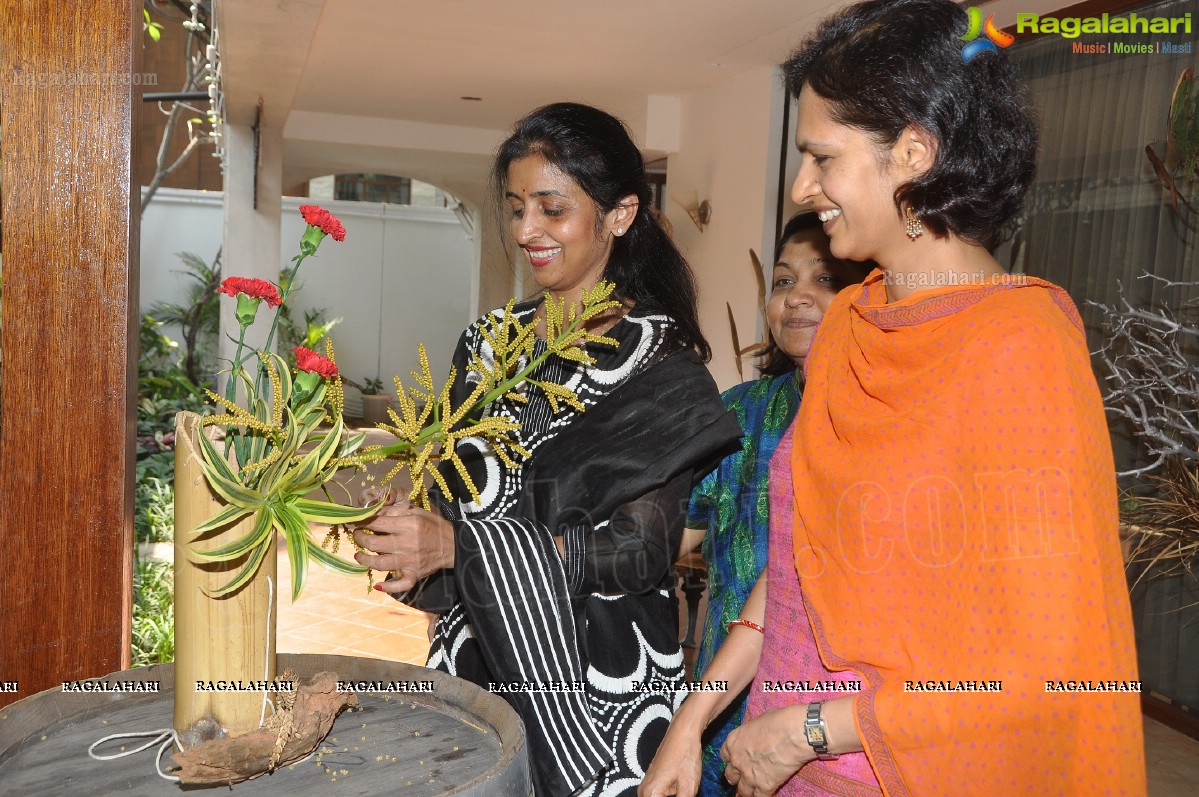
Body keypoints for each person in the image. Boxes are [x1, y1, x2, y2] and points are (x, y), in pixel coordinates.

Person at [646, 1, 1146, 795]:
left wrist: (810, 729)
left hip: (900, 769)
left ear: (913, 151)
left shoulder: (1020, 344)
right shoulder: (848, 324)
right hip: (775, 756)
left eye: (821, 156)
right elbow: (797, 566)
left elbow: (1042, 655)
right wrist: (692, 721)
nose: (802, 185)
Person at [353, 101, 741, 797]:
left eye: (551, 209)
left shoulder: (659, 364)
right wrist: (406, 531)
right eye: (514, 208)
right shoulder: (485, 344)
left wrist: (457, 546)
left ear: (619, 215)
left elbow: (637, 549)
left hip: (596, 688)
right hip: (479, 662)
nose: (527, 230)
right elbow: (460, 496)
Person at [678, 212, 869, 797]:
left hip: (829, 729)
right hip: (719, 709)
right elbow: (672, 538)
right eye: (784, 281)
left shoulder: (881, 423)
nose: (799, 298)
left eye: (826, 280)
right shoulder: (738, 412)